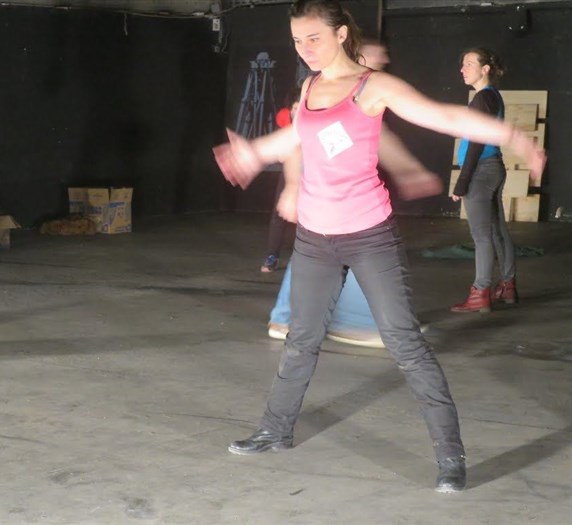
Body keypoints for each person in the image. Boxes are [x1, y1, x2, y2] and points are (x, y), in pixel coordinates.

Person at [213, 0, 545, 493]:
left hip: (369, 237)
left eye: (314, 38)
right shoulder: (309, 87)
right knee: (302, 339)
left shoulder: (372, 87)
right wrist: (255, 152)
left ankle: (450, 457)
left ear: (340, 34)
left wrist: (512, 136)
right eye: (297, 41)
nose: (304, 49)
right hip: (315, 239)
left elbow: (443, 117)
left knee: (404, 342)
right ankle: (274, 430)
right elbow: (296, 139)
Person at [267, 38, 441, 348]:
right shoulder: (324, 91)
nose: (382, 62)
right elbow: (296, 142)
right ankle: (304, 319)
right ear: (356, 56)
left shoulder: (364, 96)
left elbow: (380, 140)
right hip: (322, 192)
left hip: (342, 198)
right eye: (376, 56)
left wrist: (410, 171)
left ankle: (328, 320)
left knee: (337, 252)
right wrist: (292, 187)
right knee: (328, 252)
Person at [450, 48, 516, 313]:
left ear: (485, 69)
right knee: (497, 230)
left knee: (482, 235)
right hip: (493, 168)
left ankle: (480, 292)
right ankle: (507, 286)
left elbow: (476, 142)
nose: (462, 69)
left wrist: (462, 182)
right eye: (462, 64)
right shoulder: (492, 96)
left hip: (481, 171)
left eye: (469, 63)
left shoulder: (483, 98)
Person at [260, 89, 302, 272]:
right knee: (279, 213)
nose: (297, 111)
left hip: (314, 173)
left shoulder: (315, 121)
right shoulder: (285, 119)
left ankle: (307, 258)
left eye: (301, 108)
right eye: (295, 108)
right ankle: (272, 255)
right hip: (291, 172)